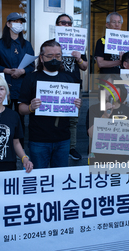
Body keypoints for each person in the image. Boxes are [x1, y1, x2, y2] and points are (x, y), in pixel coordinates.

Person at [19, 39, 81, 168]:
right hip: (39, 140)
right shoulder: (31, 78)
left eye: (58, 56)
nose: (54, 59)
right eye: (50, 56)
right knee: (38, 179)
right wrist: (31, 107)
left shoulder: (69, 78)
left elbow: (73, 110)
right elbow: (21, 108)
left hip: (63, 139)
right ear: (41, 58)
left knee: (60, 179)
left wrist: (76, 104)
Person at [0, 12, 35, 147]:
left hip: (22, 86)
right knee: (4, 115)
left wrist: (22, 71)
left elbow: (32, 65)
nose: (18, 24)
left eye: (20, 22)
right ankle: (5, 144)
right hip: (5, 85)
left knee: (20, 118)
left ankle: (19, 146)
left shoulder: (26, 44)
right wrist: (7, 70)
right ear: (8, 24)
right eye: (15, 22)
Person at [86, 74, 129, 164]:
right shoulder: (94, 109)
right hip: (98, 159)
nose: (112, 90)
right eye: (108, 87)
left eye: (116, 87)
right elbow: (91, 134)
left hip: (122, 160)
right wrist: (105, 116)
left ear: (121, 90)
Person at [56, 13, 88, 161]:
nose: (66, 25)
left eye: (69, 23)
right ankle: (56, 146)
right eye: (63, 23)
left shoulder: (79, 43)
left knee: (73, 119)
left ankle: (72, 147)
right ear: (57, 25)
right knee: (55, 116)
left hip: (74, 85)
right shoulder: (51, 44)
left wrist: (79, 58)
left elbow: (85, 67)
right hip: (56, 85)